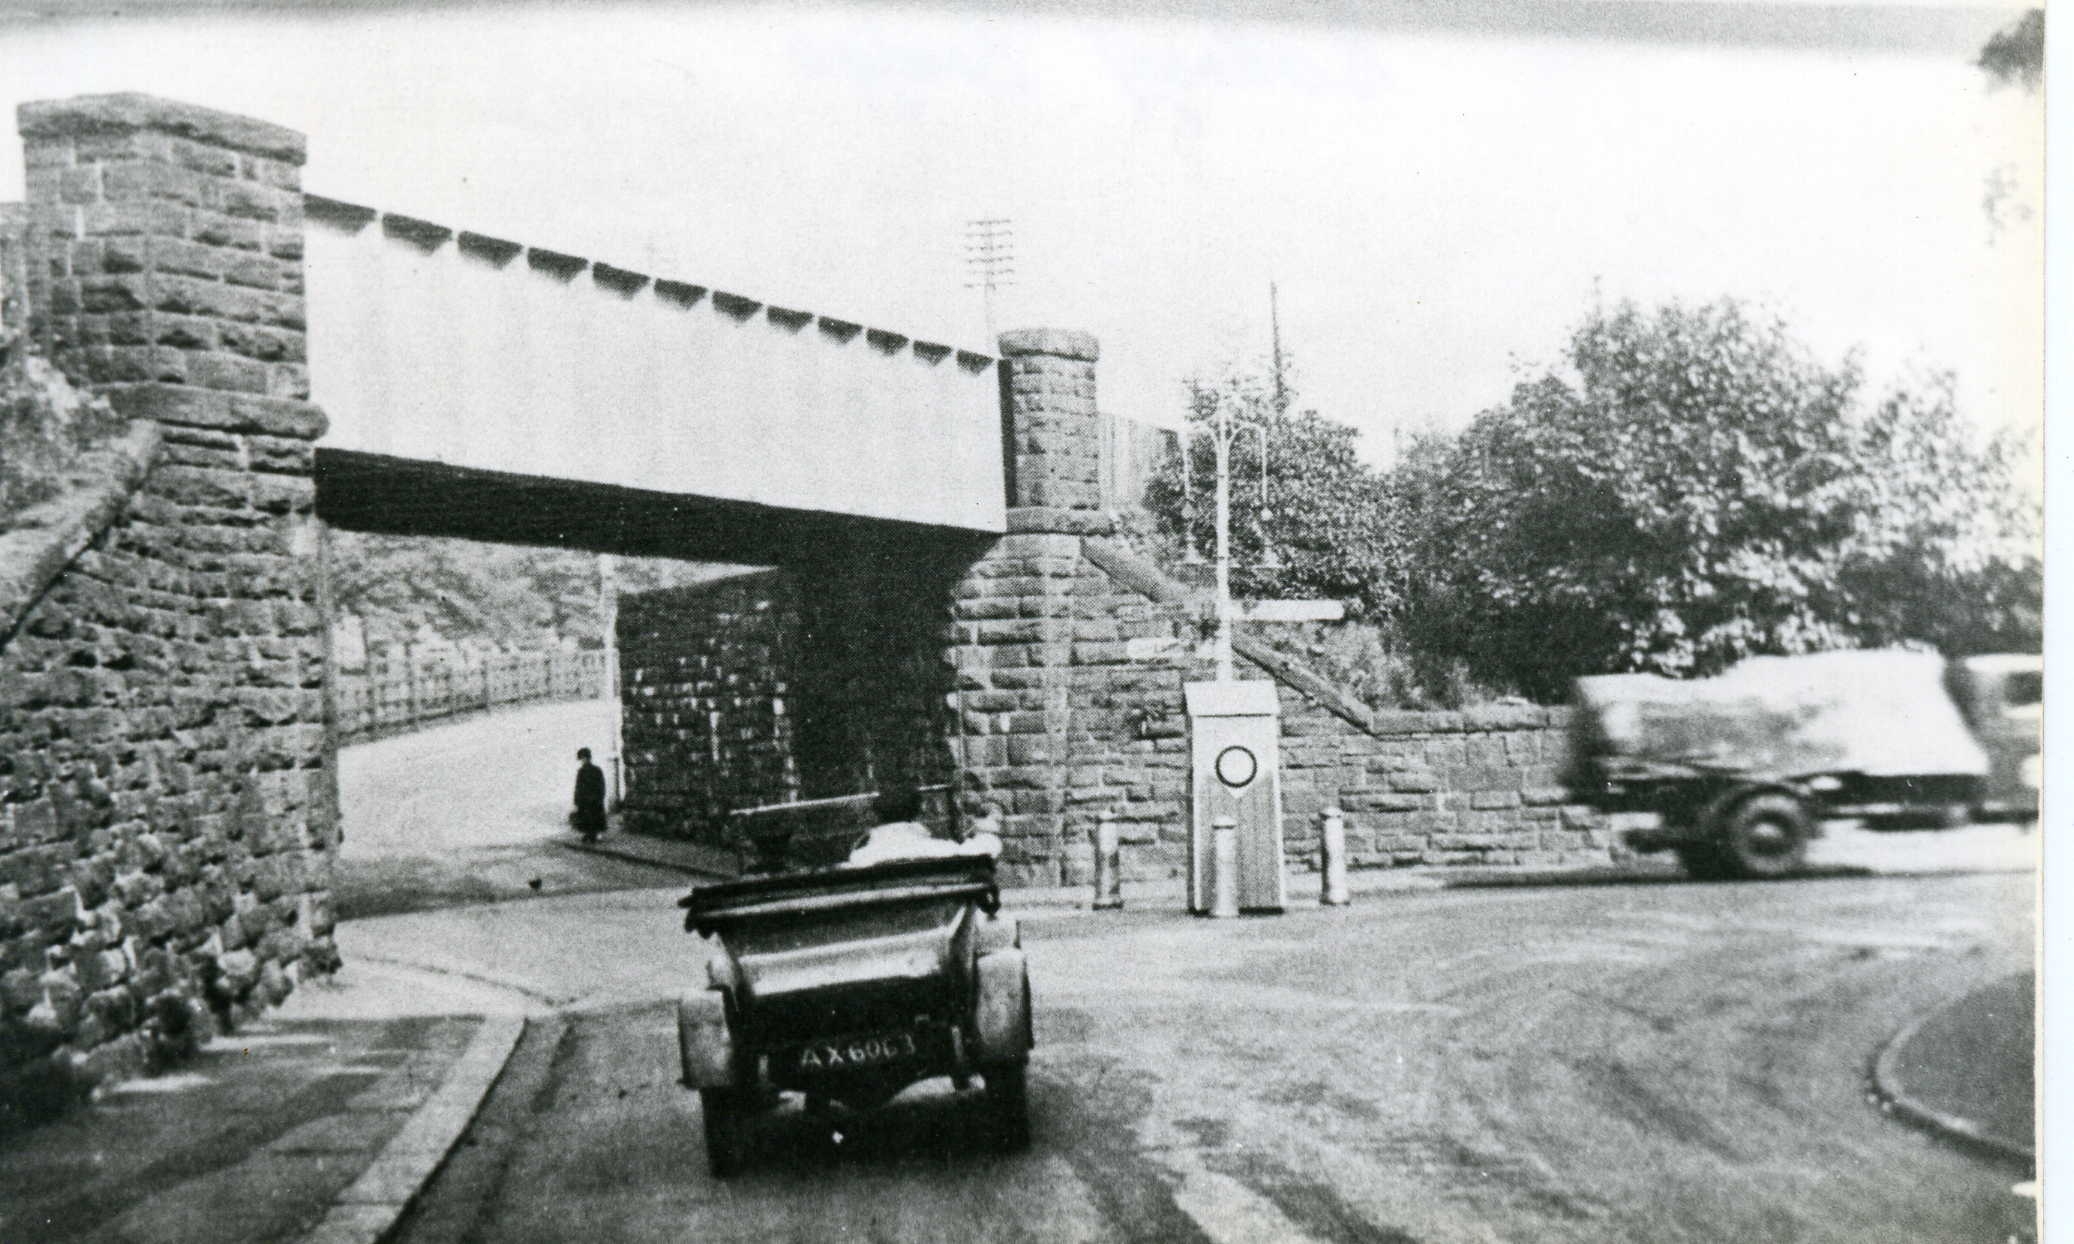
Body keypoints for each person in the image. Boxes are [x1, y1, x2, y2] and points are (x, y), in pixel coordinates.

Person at [572, 748, 607, 843]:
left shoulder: (596, 770)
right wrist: (576, 800)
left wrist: (600, 797)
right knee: (586, 818)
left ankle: (593, 835)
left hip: (593, 799)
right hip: (586, 800)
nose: (582, 761)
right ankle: (589, 834)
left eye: (583, 758)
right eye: (581, 759)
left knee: (593, 818)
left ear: (588, 758)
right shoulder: (581, 771)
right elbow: (578, 787)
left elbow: (601, 785)